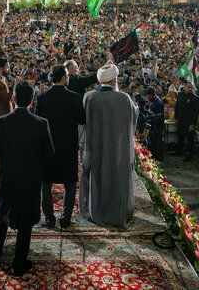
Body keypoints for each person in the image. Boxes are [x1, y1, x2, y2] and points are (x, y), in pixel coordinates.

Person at [0, 81, 54, 276]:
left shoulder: (0, 122)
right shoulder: (41, 123)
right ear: (32, 100)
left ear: (14, 98)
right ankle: (18, 264)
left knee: (1, 215)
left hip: (7, 178)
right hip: (30, 180)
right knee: (25, 224)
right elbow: (49, 153)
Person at [80, 63, 138, 229]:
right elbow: (133, 119)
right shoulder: (124, 98)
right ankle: (118, 211)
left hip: (96, 146)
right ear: (114, 80)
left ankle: (96, 210)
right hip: (118, 149)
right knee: (116, 179)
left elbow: (83, 126)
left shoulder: (89, 97)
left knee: (97, 177)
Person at [35, 65, 86, 228]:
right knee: (70, 183)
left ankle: (49, 219)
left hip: (47, 146)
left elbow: (37, 121)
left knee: (46, 183)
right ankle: (65, 219)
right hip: (68, 146)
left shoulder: (42, 98)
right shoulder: (75, 97)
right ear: (64, 78)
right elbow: (82, 120)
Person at [173, 82, 199, 162]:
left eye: (191, 88)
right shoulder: (180, 95)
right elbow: (177, 107)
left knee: (190, 140)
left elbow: (196, 114)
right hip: (181, 120)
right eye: (188, 87)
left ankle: (190, 155)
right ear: (184, 86)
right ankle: (179, 152)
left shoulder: (195, 98)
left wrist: (193, 124)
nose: (190, 89)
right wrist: (176, 118)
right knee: (180, 136)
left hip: (189, 122)